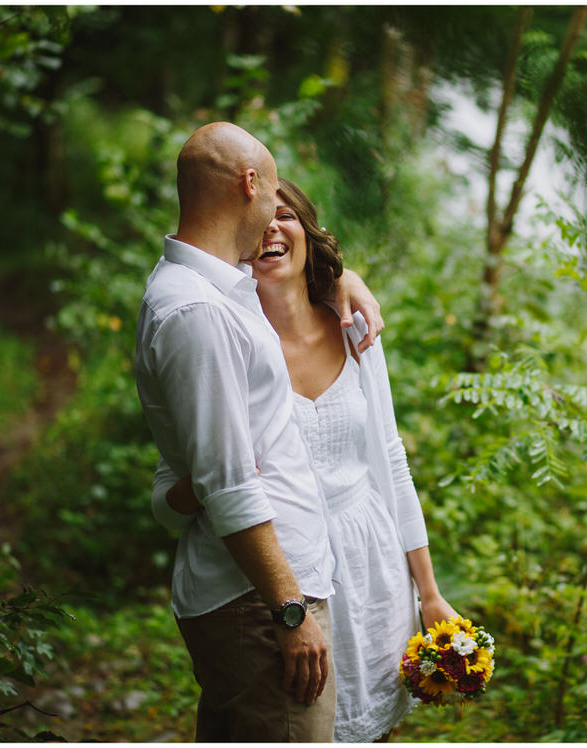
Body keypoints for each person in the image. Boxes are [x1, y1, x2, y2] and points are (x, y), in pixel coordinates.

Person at [152, 177, 459, 742]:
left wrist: (430, 593)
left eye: (287, 216)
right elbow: (170, 502)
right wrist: (218, 479)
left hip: (370, 568)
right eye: (262, 216)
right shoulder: (221, 336)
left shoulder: (355, 329)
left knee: (372, 724)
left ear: (309, 234)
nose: (272, 227)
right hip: (284, 572)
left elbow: (391, 462)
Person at [134, 122, 384, 742]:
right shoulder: (199, 312)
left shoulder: (221, 290)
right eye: (273, 192)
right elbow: (227, 483)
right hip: (259, 605)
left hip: (260, 600)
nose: (276, 210)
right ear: (250, 184)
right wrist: (290, 609)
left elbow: (291, 283)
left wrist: (341, 277)